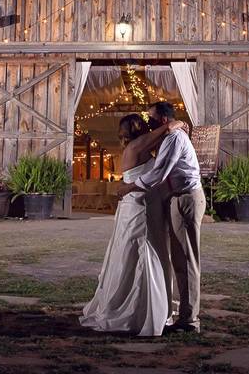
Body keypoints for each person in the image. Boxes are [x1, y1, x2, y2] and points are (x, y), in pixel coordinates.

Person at [79, 114, 186, 336]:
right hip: (140, 207)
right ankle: (140, 311)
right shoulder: (139, 144)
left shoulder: (135, 147)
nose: (149, 125)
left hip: (136, 205)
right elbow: (168, 129)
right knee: (144, 252)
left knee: (130, 252)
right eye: (145, 123)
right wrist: (180, 123)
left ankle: (140, 305)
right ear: (138, 127)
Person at [127, 101, 205, 334]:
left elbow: (160, 172)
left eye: (151, 118)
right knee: (177, 258)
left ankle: (190, 320)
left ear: (162, 120)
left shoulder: (174, 139)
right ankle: (179, 313)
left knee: (187, 258)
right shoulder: (166, 137)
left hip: (185, 198)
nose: (148, 122)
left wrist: (129, 187)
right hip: (175, 198)